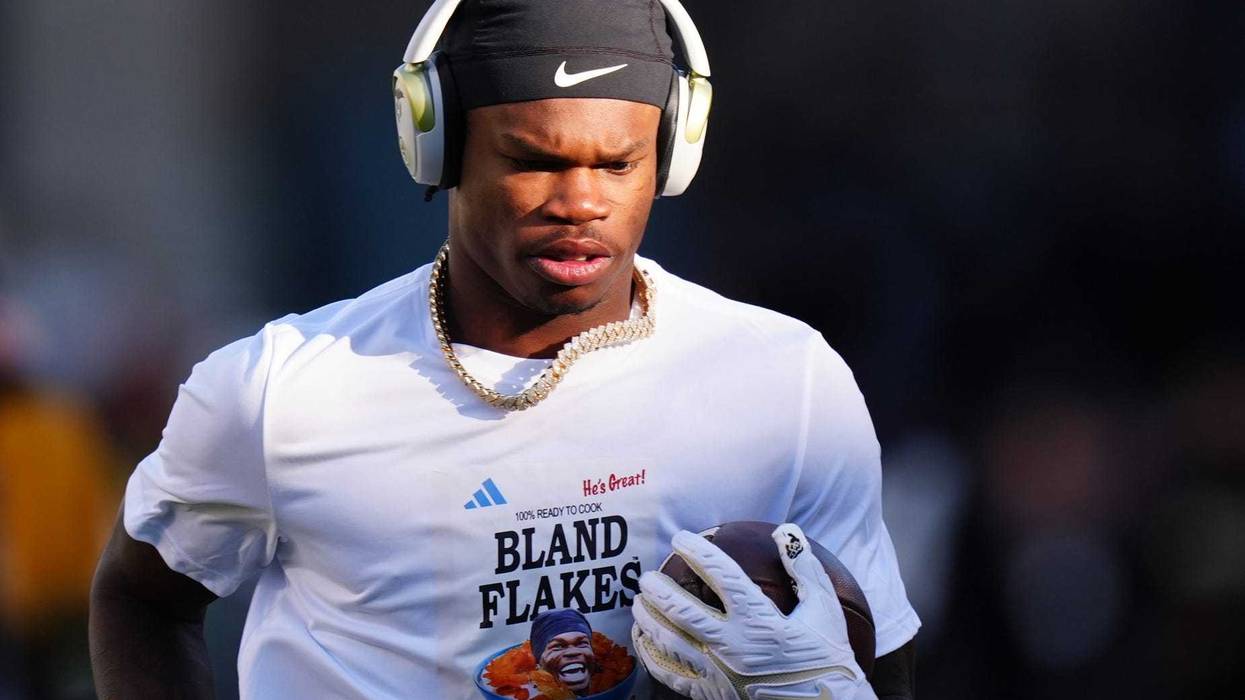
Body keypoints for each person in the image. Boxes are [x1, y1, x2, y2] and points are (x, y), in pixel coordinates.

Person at [89, 1, 920, 698]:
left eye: (617, 163)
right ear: (439, 148)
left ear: (671, 155)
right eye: (532, 161)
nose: (581, 202)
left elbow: (878, 648)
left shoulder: (782, 380)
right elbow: (139, 598)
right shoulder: (278, 389)